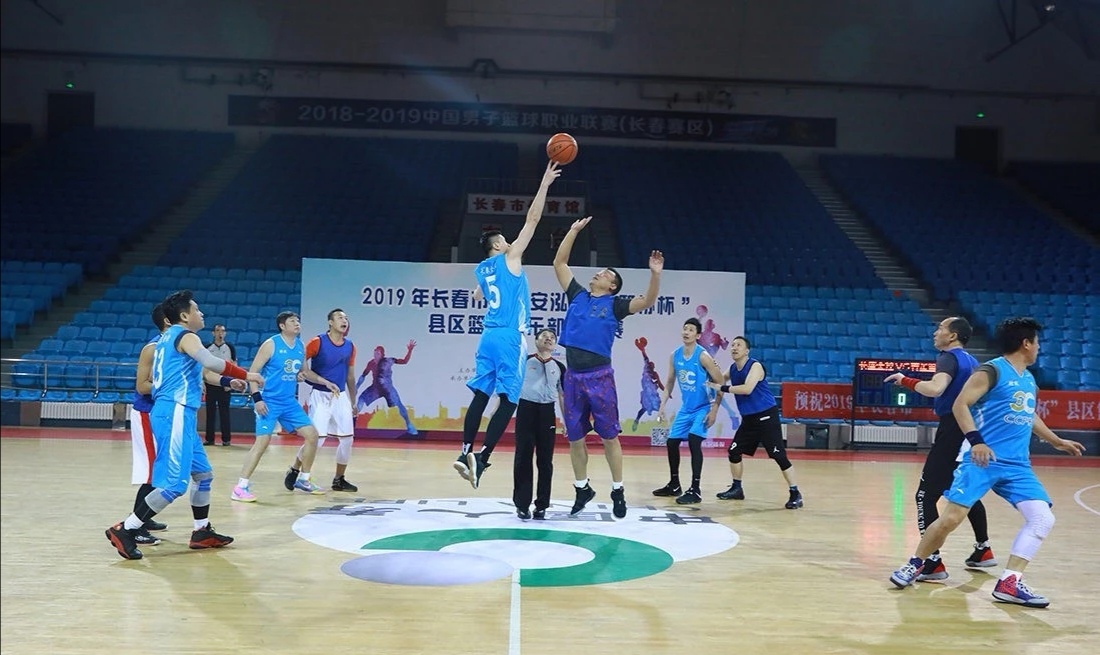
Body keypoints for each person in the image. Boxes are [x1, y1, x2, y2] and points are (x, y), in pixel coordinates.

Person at [890, 317, 1086, 607]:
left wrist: (1056, 440)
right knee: (951, 519)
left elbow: (1029, 414)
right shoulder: (991, 370)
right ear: (1026, 343)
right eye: (1037, 343)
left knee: (1042, 518)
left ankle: (1009, 583)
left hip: (1017, 466)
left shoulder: (1028, 380)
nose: (1038, 348)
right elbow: (960, 404)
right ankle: (916, 563)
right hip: (982, 460)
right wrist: (976, 441)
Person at [105, 289, 259, 560]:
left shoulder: (167, 339)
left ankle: (201, 531)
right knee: (174, 485)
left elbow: (203, 371)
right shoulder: (185, 336)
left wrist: (228, 381)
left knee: (203, 475)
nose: (202, 314)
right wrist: (248, 375)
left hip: (180, 413)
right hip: (174, 411)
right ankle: (126, 529)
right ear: (185, 316)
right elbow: (211, 361)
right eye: (197, 310)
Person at [455, 161, 562, 490]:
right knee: (510, 399)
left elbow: (477, 294)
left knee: (481, 394)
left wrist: (487, 292)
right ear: (500, 246)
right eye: (505, 241)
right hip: (508, 337)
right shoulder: (509, 258)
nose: (511, 243)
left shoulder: (482, 269)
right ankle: (483, 458)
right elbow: (533, 219)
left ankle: (464, 451)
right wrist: (544, 184)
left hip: (486, 336)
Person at [552, 215, 663, 519]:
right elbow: (559, 263)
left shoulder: (615, 305)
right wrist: (573, 231)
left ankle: (617, 489)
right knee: (575, 437)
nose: (598, 272)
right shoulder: (577, 295)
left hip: (599, 376)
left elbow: (647, 300)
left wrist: (655, 275)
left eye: (605, 273)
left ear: (612, 285)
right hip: (573, 377)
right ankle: (582, 488)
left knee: (609, 436)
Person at [884, 316, 995, 582]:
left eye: (941, 328)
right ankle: (983, 549)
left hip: (952, 431)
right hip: (969, 431)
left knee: (925, 496)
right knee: (962, 492)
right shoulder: (973, 362)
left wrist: (905, 380)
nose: (936, 333)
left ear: (953, 336)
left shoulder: (948, 358)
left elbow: (936, 389)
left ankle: (932, 563)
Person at [231, 311, 326, 502]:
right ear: (282, 326)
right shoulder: (271, 344)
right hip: (269, 401)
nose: (297, 323)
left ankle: (304, 479)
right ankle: (240, 487)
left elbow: (304, 372)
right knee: (262, 442)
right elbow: (253, 373)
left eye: (298, 320)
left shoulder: (300, 346)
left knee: (312, 435)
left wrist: (312, 379)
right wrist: (257, 399)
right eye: (292, 321)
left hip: (289, 402)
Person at [710, 336, 803, 509]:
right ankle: (737, 488)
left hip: (766, 417)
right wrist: (710, 370)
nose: (734, 347)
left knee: (778, 456)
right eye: (732, 345)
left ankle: (795, 493)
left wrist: (722, 388)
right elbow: (719, 379)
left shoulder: (755, 366)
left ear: (747, 351)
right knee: (734, 451)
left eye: (738, 345)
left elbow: (747, 389)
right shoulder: (732, 368)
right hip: (749, 419)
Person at [653, 318, 725, 505]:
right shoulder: (675, 355)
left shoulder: (703, 356)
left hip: (703, 407)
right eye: (685, 328)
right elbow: (669, 382)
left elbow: (721, 383)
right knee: (672, 442)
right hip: (686, 409)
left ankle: (695, 489)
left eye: (691, 330)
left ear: (698, 335)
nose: (686, 332)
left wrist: (714, 410)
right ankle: (674, 484)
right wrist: (662, 406)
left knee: (694, 440)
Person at [294, 308, 359, 492]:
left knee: (347, 440)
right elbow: (301, 365)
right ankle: (295, 470)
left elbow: (350, 376)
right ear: (330, 322)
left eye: (346, 318)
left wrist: (353, 401)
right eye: (340, 317)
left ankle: (339, 479)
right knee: (317, 440)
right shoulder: (317, 341)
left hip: (340, 396)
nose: (344, 321)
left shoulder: (350, 346)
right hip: (320, 395)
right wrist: (301, 374)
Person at [512, 328, 565, 520]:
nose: (548, 339)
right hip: (526, 409)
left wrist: (566, 421)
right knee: (523, 457)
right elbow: (511, 387)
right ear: (536, 341)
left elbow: (562, 395)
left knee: (545, 461)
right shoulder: (524, 362)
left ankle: (542, 505)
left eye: (552, 338)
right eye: (544, 336)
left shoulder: (559, 367)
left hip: (547, 412)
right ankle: (522, 504)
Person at [356, 340, 418, 436]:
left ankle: (409, 425)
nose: (375, 355)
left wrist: (409, 350)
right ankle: (353, 421)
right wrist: (356, 387)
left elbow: (404, 361)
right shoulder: (371, 363)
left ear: (382, 355)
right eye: (374, 353)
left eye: (377, 353)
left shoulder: (389, 361)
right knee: (361, 398)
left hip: (388, 389)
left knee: (399, 404)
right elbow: (363, 375)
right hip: (376, 388)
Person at [203, 324, 237, 446]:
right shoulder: (207, 347)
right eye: (217, 331)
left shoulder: (230, 348)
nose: (220, 333)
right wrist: (203, 382)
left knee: (225, 412)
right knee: (210, 413)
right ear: (213, 333)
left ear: (225, 333)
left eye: (222, 331)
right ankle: (209, 438)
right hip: (210, 383)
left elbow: (234, 365)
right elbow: (202, 366)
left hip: (225, 384)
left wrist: (231, 381)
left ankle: (226, 439)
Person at [630, 337, 664, 431]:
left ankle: (662, 421)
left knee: (658, 406)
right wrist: (642, 350)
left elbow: (660, 384)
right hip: (647, 391)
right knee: (644, 408)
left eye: (652, 365)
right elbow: (646, 358)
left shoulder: (654, 374)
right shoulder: (646, 370)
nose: (651, 365)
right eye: (650, 364)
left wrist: (667, 392)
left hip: (652, 392)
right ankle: (636, 420)